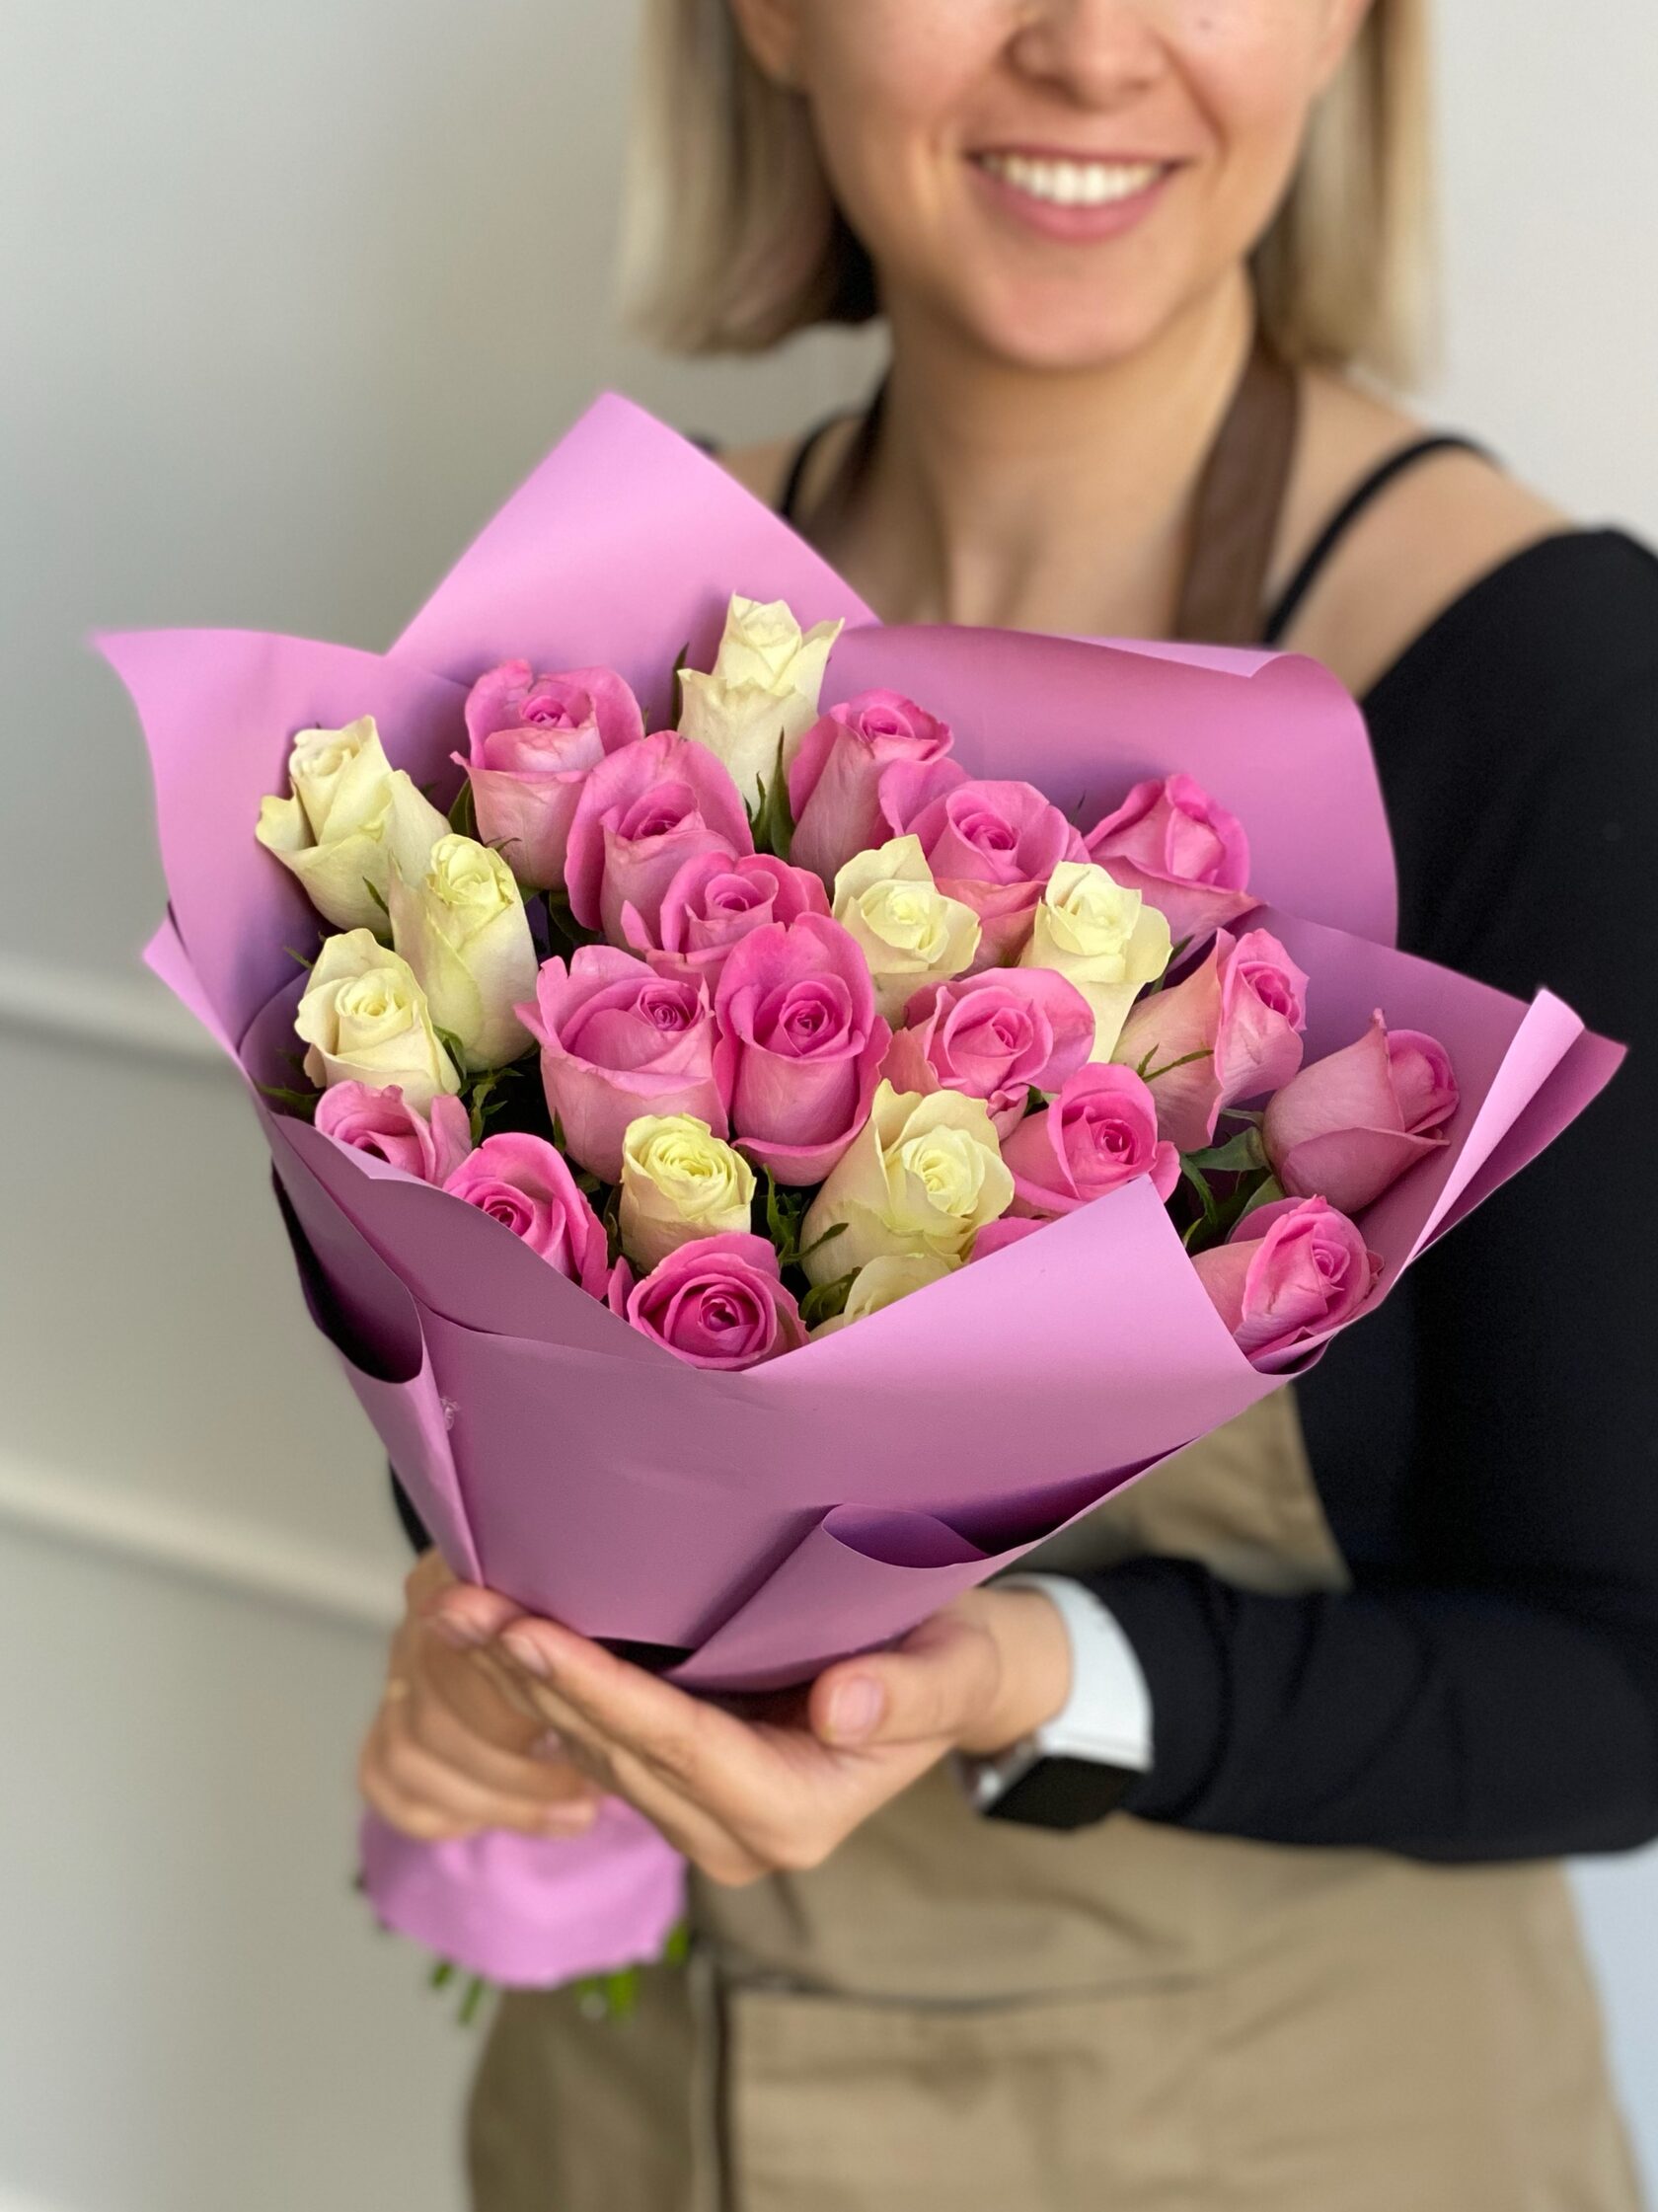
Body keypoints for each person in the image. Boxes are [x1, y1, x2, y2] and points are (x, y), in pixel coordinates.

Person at [358, 2, 1658, 2204]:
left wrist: (1023, 1671)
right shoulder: (579, 660)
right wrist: (487, 1674)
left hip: (1282, 2139)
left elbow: (1623, 1675)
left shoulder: (1553, 693)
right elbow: (458, 1384)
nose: (1086, 46)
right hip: (634, 2119)